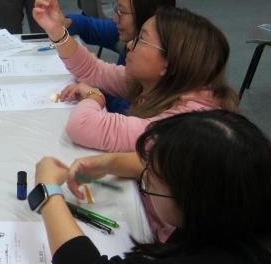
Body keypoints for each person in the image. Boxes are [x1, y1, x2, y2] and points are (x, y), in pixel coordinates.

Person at [32, 110, 271, 263]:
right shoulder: (241, 198)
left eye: (150, 179)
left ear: (191, 201)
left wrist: (48, 191)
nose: (144, 174)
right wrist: (109, 163)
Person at [33, 0, 238, 152]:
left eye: (142, 40)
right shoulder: (161, 82)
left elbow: (83, 126)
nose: (130, 44)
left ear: (170, 63)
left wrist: (95, 96)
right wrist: (57, 31)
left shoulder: (185, 123)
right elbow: (92, 70)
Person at [54, 0, 176, 114]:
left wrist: (96, 94)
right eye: (116, 10)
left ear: (147, 17)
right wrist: (65, 23)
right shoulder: (129, 35)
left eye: (122, 12)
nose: (115, 18)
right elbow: (90, 28)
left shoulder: (156, 90)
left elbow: (124, 112)